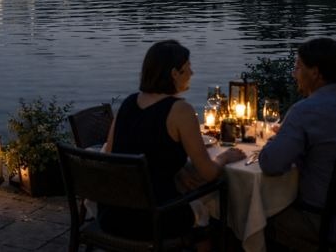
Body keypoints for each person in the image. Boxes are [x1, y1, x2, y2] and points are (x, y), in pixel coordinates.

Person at [102, 40, 245, 243]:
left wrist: (176, 169)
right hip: (157, 218)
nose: (192, 73)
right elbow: (209, 172)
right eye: (187, 68)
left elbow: (111, 157)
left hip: (112, 215)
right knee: (213, 193)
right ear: (174, 74)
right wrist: (224, 157)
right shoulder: (180, 110)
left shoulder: (128, 103)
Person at [259, 38, 336, 251]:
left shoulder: (304, 111)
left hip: (322, 222)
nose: (293, 73)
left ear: (315, 73)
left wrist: (278, 141)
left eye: (298, 67)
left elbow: (271, 164)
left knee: (257, 218)